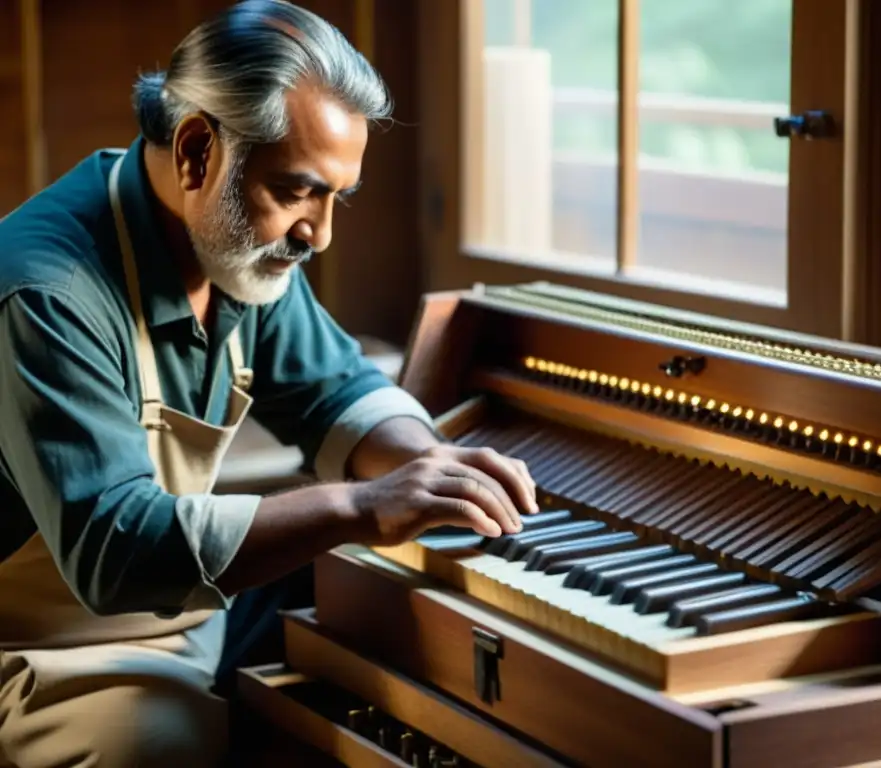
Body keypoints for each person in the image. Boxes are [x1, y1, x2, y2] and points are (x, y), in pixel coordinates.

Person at [0, 1, 538, 765]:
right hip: (45, 652)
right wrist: (360, 505)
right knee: (161, 749)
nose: (319, 234)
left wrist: (428, 464)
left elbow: (336, 392)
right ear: (195, 152)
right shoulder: (45, 292)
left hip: (188, 620)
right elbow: (113, 553)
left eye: (335, 197)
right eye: (298, 192)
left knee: (383, 620)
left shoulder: (236, 247)